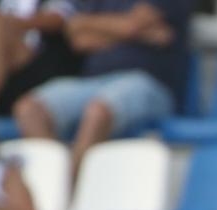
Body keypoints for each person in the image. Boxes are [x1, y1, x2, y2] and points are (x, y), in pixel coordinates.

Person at [11, 0, 191, 180]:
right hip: (95, 82)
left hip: (149, 83)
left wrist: (98, 28)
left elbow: (131, 25)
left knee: (98, 110)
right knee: (29, 109)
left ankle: (72, 186)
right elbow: (77, 37)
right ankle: (51, 184)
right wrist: (134, 30)